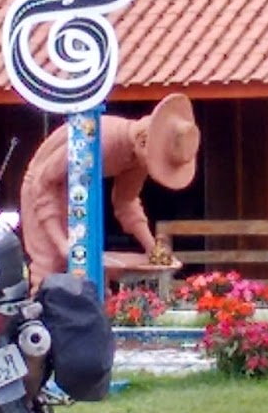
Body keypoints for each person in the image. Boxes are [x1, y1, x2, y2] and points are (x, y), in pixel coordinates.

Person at [19, 94, 201, 287]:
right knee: (50, 266)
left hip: (80, 198)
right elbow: (45, 182)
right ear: (142, 142)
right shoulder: (99, 139)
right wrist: (61, 244)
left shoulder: (137, 158)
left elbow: (126, 202)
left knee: (91, 270)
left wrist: (152, 248)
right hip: (43, 191)